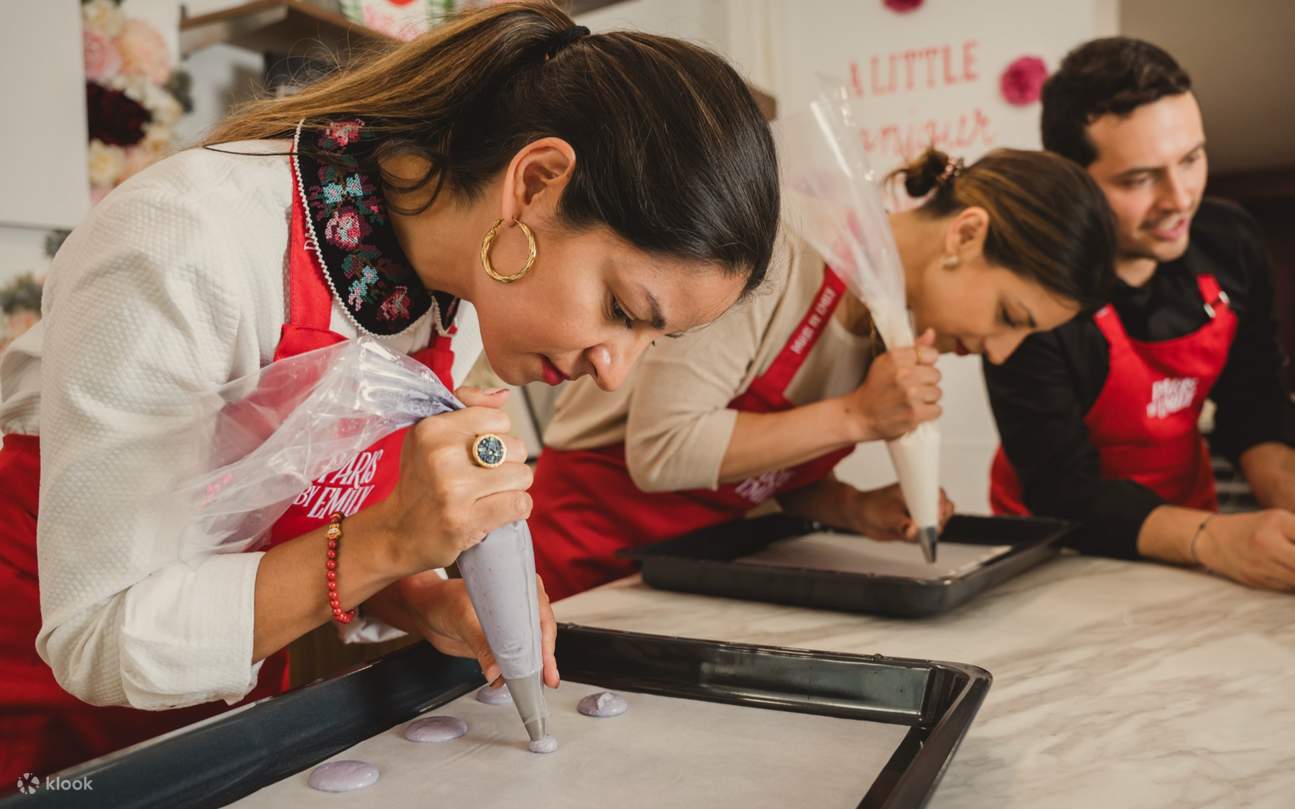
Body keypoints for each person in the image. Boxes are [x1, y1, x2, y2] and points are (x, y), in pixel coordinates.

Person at [0, 2, 782, 780]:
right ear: (536, 184)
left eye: (652, 340)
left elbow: (290, 523)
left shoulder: (461, 294)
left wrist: (422, 596)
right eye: (621, 310)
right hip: (44, 724)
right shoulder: (186, 244)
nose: (616, 370)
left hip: (223, 726)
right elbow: (97, 639)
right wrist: (392, 541)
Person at [525, 147, 1116, 602]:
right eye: (1009, 317)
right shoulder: (778, 248)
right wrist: (857, 415)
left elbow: (759, 468)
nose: (1003, 351)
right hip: (586, 571)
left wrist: (852, 508)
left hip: (689, 574)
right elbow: (661, 452)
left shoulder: (890, 316)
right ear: (965, 233)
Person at [986, 38, 1295, 591]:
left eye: (1192, 159)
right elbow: (1062, 488)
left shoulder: (1230, 240)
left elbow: (1255, 400)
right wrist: (1214, 539)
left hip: (1193, 529)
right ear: (1071, 177)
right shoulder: (1029, 291)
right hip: (1055, 556)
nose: (1180, 199)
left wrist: (1284, 495)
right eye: (1140, 179)